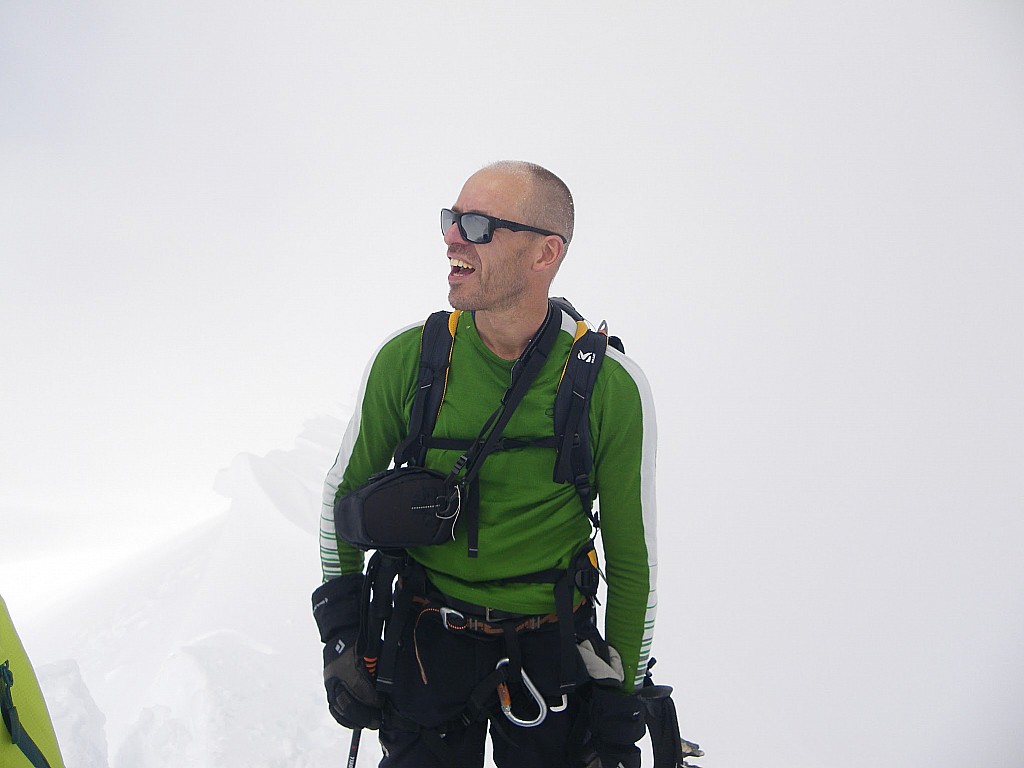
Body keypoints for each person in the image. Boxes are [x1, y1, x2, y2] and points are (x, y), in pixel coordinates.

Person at [314, 161, 658, 768]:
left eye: (476, 225)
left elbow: (634, 557)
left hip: (550, 654)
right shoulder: (409, 361)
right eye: (451, 220)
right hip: (424, 646)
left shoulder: (608, 385)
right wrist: (341, 636)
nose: (451, 237)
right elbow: (341, 502)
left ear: (544, 253)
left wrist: (619, 700)